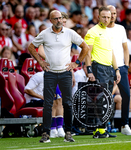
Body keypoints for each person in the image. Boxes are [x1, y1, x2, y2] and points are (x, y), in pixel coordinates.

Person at [28, 10, 89, 143]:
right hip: (50, 72)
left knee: (67, 103)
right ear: (50, 21)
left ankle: (68, 132)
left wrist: (76, 63)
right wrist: (40, 62)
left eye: (60, 18)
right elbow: (31, 47)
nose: (59, 21)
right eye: (55, 19)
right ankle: (45, 134)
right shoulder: (45, 33)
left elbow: (85, 47)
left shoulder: (69, 32)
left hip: (65, 72)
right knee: (48, 104)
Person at [84, 6, 121, 138]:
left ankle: (101, 129)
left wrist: (116, 69)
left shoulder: (108, 32)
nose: (106, 19)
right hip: (98, 68)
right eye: (104, 17)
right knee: (99, 100)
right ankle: (99, 130)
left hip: (108, 69)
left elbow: (111, 53)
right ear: (98, 17)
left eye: (109, 17)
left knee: (107, 99)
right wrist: (89, 70)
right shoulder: (92, 31)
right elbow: (87, 52)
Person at [107, 5, 131, 136]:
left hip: (121, 67)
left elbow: (125, 48)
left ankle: (125, 125)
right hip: (106, 66)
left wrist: (127, 65)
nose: (112, 16)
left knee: (127, 95)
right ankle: (103, 126)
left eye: (114, 13)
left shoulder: (121, 28)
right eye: (110, 13)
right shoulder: (100, 30)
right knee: (105, 96)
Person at [24, 71, 65, 138]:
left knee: (59, 99)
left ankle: (59, 128)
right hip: (33, 101)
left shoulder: (55, 78)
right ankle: (53, 128)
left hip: (43, 100)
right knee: (53, 100)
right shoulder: (38, 76)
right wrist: (42, 97)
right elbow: (27, 89)